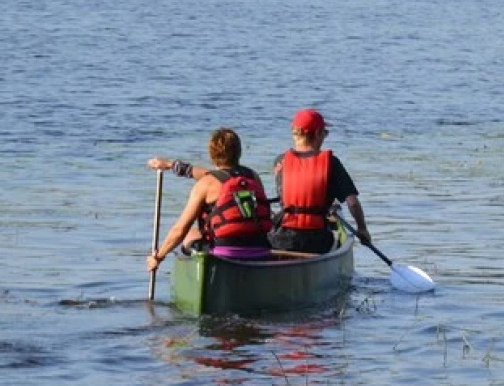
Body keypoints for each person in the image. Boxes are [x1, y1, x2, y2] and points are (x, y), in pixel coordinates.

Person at [147, 127, 274, 274]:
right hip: (259, 249)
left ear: (211, 155)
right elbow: (215, 174)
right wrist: (171, 165)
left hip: (223, 254)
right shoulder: (253, 177)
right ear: (239, 152)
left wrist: (158, 257)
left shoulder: (206, 184)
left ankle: (201, 277)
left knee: (191, 233)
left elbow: (180, 230)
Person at [270, 108, 370, 255]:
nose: (325, 137)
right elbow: (352, 202)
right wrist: (362, 229)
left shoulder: (280, 161)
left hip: (284, 240)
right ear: (317, 134)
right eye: (325, 133)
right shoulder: (331, 163)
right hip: (317, 241)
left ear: (295, 134)